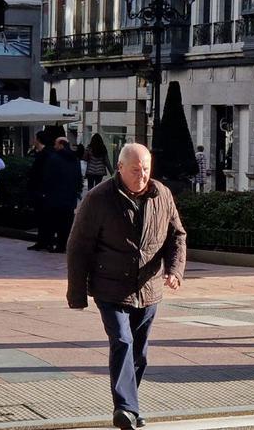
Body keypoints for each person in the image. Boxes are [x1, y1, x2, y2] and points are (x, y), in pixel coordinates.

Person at [66, 143, 186, 430]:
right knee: (122, 341)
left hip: (149, 288)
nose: (142, 175)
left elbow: (177, 236)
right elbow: (78, 246)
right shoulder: (99, 199)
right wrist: (77, 293)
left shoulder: (162, 194)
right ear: (119, 168)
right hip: (110, 287)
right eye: (135, 170)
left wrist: (175, 270)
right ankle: (124, 408)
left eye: (146, 169)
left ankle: (131, 406)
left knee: (139, 352)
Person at [44, 137, 83, 253]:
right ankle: (65, 245)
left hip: (56, 196)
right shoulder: (74, 159)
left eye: (56, 144)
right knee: (67, 223)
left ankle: (54, 244)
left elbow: (48, 178)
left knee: (54, 221)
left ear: (61, 145)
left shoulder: (54, 159)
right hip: (70, 197)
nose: (54, 146)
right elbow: (78, 177)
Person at [28, 131, 55, 251]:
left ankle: (44, 241)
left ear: (38, 139)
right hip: (42, 191)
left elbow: (42, 174)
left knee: (43, 217)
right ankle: (43, 241)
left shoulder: (45, 155)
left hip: (42, 191)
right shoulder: (45, 153)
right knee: (43, 218)